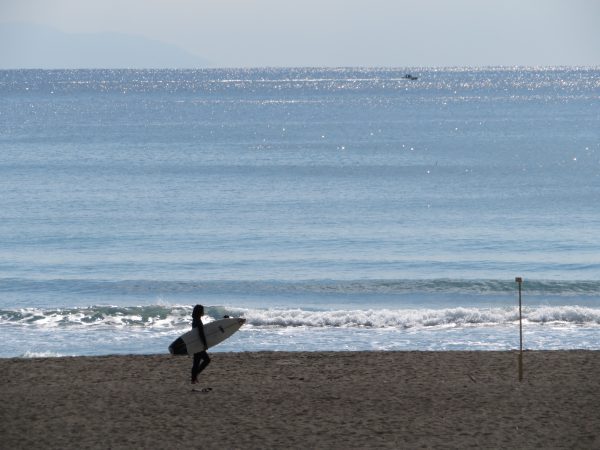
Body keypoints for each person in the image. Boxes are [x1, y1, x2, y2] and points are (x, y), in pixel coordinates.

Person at [191, 304, 211, 384]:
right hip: (199, 344)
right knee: (207, 360)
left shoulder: (195, 320)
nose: (203, 312)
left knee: (196, 362)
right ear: (199, 312)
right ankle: (195, 376)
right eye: (202, 310)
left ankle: (194, 378)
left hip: (196, 343)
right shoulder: (198, 321)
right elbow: (201, 333)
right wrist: (205, 344)